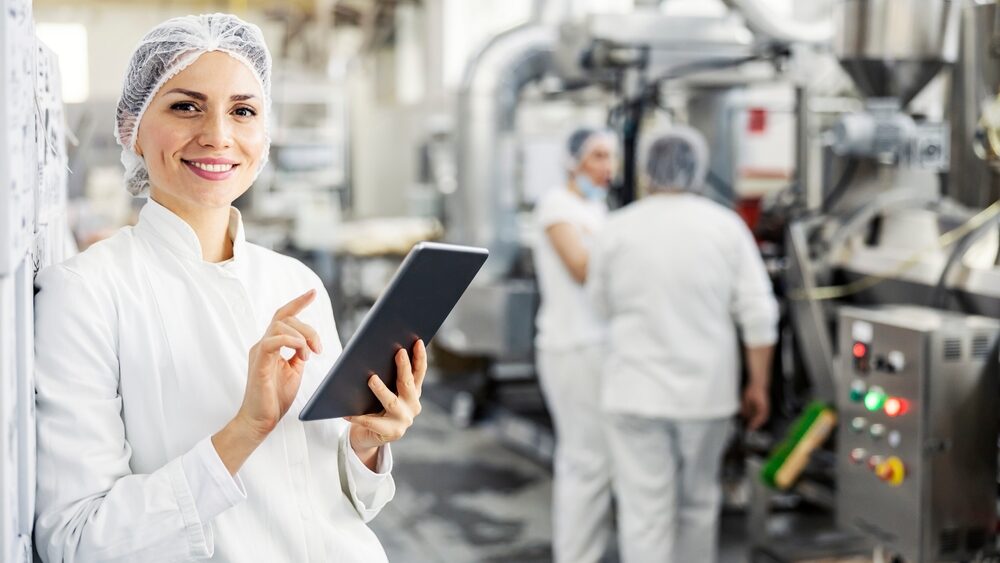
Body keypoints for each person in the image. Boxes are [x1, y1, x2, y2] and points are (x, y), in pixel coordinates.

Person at [33, 14, 424, 562]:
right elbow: (77, 541)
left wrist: (367, 444)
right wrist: (246, 428)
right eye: (186, 106)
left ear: (264, 134)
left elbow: (350, 504)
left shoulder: (296, 282)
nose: (218, 134)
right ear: (133, 129)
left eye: (243, 110)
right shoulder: (84, 295)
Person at [588, 126, 778, 563]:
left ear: (645, 170)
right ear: (699, 168)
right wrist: (758, 386)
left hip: (633, 392)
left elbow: (599, 305)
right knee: (697, 506)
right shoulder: (725, 227)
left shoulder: (616, 229)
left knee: (643, 513)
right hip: (705, 397)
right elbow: (759, 314)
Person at [531, 127, 617, 563]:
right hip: (571, 347)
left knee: (597, 461)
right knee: (585, 462)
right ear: (573, 160)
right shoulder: (557, 205)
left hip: (598, 345)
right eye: (597, 156)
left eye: (610, 157)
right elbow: (581, 267)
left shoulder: (597, 209)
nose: (607, 167)